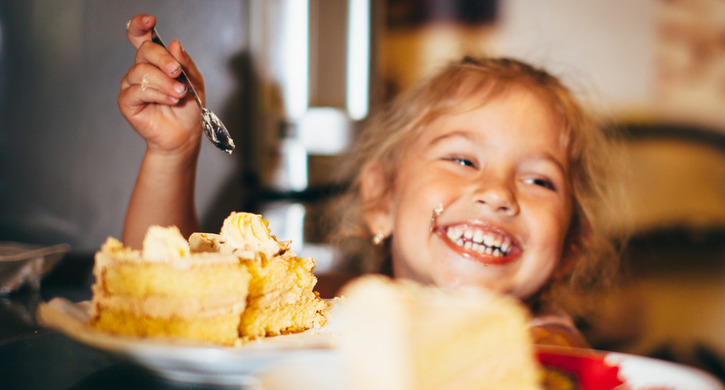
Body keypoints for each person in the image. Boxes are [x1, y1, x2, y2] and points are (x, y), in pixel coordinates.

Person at [119, 14, 620, 348]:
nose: (496, 192)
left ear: (573, 245)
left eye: (539, 181)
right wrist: (172, 152)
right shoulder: (331, 303)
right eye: (463, 161)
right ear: (380, 198)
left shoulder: (547, 346)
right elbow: (167, 293)